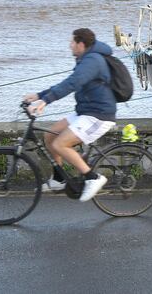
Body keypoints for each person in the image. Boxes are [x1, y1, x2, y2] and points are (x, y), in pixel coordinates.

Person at [24, 28, 116, 202]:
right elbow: (66, 83)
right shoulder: (86, 59)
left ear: (81, 44)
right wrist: (39, 96)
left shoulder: (93, 61)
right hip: (86, 111)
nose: (70, 45)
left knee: (60, 144)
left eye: (72, 42)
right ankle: (59, 179)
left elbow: (73, 83)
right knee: (50, 135)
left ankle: (93, 178)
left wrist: (46, 101)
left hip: (99, 115)